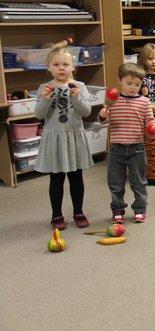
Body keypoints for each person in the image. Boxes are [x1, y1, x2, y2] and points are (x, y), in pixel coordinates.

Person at [34, 46, 94, 230]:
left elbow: (86, 112)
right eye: (56, 64)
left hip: (74, 137)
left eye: (65, 64)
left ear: (73, 67)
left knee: (76, 178)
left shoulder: (80, 86)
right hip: (55, 139)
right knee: (56, 179)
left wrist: (76, 99)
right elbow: (38, 114)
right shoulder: (45, 88)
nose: (61, 68)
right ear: (49, 68)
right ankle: (57, 215)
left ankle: (78, 212)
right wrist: (45, 99)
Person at [99, 63, 155, 224]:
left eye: (137, 84)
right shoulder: (113, 99)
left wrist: (151, 127)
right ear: (120, 80)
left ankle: (140, 209)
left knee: (139, 183)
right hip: (116, 149)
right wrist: (103, 114)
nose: (133, 87)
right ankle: (117, 210)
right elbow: (104, 119)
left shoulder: (144, 101)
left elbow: (149, 120)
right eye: (129, 83)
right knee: (116, 183)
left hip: (137, 148)